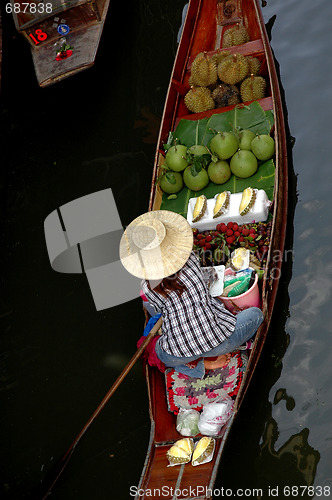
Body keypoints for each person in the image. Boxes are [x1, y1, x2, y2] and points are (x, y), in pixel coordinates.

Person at [120, 210, 264, 379]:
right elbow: (202, 283)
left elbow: (160, 309)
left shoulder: (146, 287)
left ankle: (198, 366)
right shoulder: (189, 260)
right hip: (220, 342)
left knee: (159, 352)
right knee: (256, 315)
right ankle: (213, 355)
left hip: (181, 352)